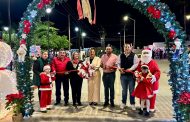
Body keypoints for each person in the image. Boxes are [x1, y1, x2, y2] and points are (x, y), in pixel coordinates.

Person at [136, 48, 161, 112]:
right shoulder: (140, 62)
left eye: (147, 53)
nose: (145, 55)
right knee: (142, 95)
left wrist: (154, 76)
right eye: (144, 53)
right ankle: (143, 107)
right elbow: (137, 70)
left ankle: (151, 107)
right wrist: (136, 74)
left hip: (151, 84)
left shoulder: (153, 62)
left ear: (150, 54)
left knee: (151, 96)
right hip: (143, 83)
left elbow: (157, 71)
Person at [117, 43, 139, 110]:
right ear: (124, 48)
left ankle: (132, 104)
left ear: (130, 48)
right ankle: (123, 103)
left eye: (128, 47)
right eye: (125, 47)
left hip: (131, 76)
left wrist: (130, 69)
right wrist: (119, 68)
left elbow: (136, 64)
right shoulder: (120, 55)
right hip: (123, 76)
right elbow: (118, 63)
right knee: (124, 91)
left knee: (132, 90)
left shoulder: (134, 55)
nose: (126, 48)